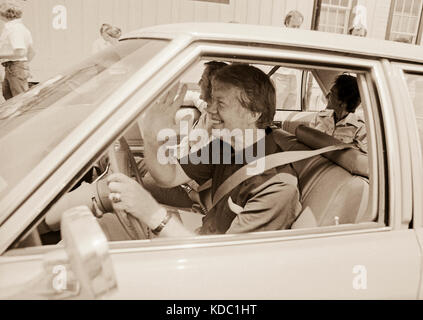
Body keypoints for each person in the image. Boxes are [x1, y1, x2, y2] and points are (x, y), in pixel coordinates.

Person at [107, 64, 302, 237]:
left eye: (221, 104)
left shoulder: (277, 186)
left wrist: (152, 214)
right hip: (203, 234)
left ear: (253, 113)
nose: (210, 110)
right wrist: (151, 139)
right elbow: (169, 177)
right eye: (212, 102)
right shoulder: (225, 146)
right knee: (107, 224)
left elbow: (224, 261)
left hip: (209, 260)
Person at [309, 74, 367, 153]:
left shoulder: (360, 129)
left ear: (342, 103)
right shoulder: (319, 117)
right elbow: (307, 142)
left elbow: (357, 159)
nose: (327, 96)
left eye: (332, 93)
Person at [0, 2, 35, 100]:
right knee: (9, 96)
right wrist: (24, 67)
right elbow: (31, 52)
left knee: (18, 100)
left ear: (3, 14)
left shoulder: (13, 29)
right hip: (14, 67)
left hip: (14, 66)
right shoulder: (20, 28)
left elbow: (20, 52)